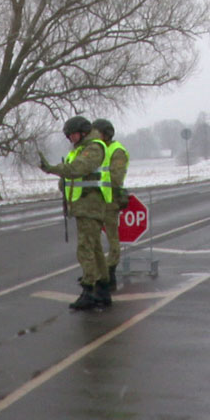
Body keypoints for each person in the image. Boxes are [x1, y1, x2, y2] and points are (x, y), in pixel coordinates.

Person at [39, 116, 113, 310]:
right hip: (84, 205)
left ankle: (89, 289)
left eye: (71, 134)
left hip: (91, 205)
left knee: (85, 248)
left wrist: (53, 169)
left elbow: (77, 169)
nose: (70, 138)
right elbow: (72, 174)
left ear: (82, 132)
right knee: (94, 248)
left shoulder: (94, 148)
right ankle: (103, 289)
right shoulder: (82, 149)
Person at [91, 118, 129, 292]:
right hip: (94, 201)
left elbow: (115, 178)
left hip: (110, 200)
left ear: (106, 134)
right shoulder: (95, 150)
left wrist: (93, 181)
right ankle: (97, 274)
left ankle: (111, 271)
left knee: (112, 238)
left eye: (96, 132)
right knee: (92, 239)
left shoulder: (116, 151)